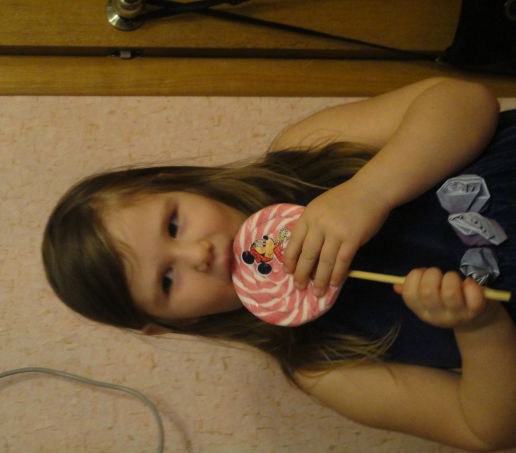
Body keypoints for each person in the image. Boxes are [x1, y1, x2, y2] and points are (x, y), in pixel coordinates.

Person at [42, 77, 516, 451]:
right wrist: (479, 328)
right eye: (167, 280)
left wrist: (368, 192)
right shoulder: (323, 365)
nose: (198, 254)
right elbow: (484, 429)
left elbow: (464, 99)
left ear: (176, 183)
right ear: (168, 324)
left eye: (174, 224)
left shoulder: (301, 153)